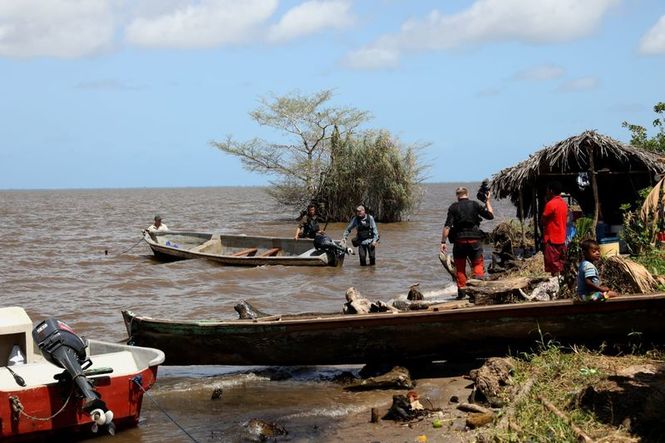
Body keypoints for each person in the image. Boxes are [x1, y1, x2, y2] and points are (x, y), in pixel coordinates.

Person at [440, 186, 494, 300]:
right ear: (467, 194)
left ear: (457, 195)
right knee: (477, 265)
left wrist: (443, 242)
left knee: (460, 268)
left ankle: (462, 292)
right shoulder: (474, 204)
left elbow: (447, 226)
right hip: (475, 240)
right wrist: (488, 201)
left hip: (459, 241)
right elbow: (490, 216)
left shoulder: (453, 207)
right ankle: (477, 291)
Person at [542, 181, 568, 276]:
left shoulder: (550, 204)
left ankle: (556, 282)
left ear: (551, 191)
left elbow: (543, 220)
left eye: (548, 190)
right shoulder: (563, 203)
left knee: (553, 264)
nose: (547, 192)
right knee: (561, 263)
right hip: (562, 238)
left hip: (552, 238)